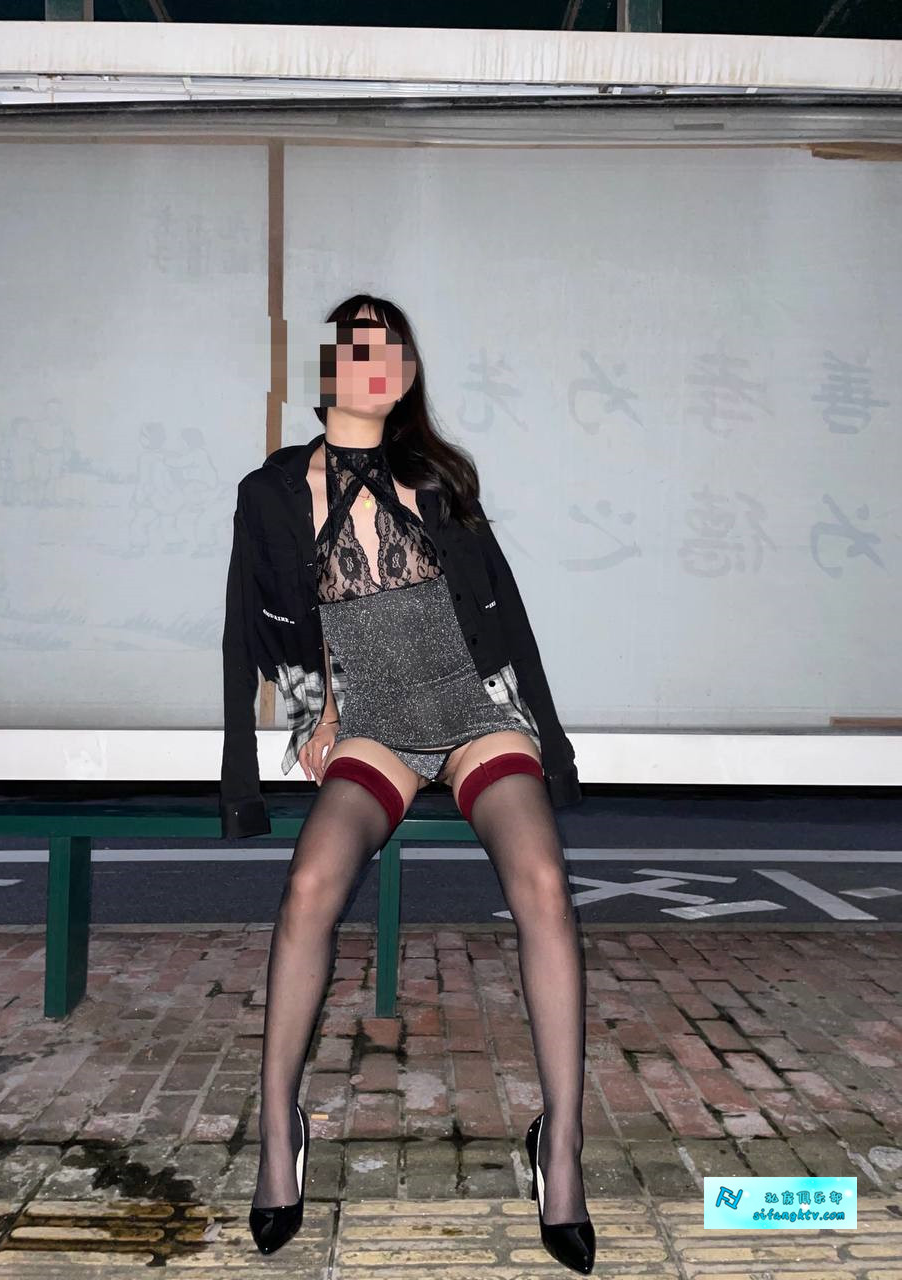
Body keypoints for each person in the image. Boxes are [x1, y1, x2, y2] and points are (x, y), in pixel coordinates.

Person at [240, 295, 595, 1273]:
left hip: (472, 704)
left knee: (542, 886)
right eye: (359, 344)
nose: (379, 359)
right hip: (375, 717)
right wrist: (313, 709)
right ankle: (276, 1128)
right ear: (328, 367)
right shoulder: (276, 490)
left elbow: (498, 610)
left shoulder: (436, 477)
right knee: (309, 884)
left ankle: (560, 1146)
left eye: (393, 345)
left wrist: (534, 724)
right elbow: (272, 616)